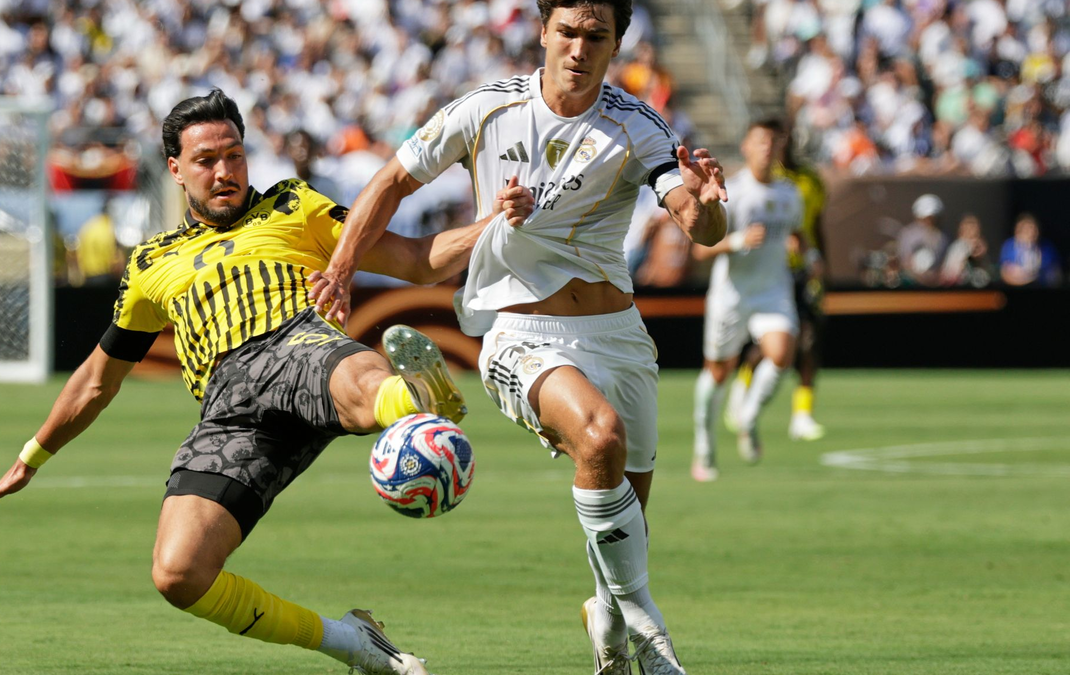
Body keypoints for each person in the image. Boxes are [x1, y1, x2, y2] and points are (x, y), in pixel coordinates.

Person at [0, 90, 534, 675]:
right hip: (229, 410)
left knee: (346, 371)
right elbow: (94, 380)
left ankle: (411, 402)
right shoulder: (149, 263)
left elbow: (418, 260)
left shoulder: (294, 205)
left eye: (234, 156)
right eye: (206, 160)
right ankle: (355, 643)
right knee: (179, 572)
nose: (224, 172)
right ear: (176, 170)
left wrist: (494, 223)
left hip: (292, 340)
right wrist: (32, 456)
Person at [309, 3, 728, 673]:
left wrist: (707, 209)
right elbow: (391, 179)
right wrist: (341, 268)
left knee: (626, 524)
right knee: (599, 436)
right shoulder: (486, 108)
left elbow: (695, 222)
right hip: (519, 330)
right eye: (567, 31)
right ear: (542, 32)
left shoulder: (637, 124)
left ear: (617, 42)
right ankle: (652, 639)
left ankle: (611, 626)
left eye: (596, 36)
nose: (578, 49)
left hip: (619, 336)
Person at [691, 118, 805, 482]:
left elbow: (798, 234)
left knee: (782, 353)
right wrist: (737, 241)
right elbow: (701, 252)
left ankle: (748, 418)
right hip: (732, 295)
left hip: (774, 292)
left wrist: (806, 254)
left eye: (773, 143)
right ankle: (704, 449)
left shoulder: (790, 193)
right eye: (760, 142)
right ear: (746, 147)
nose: (767, 149)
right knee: (718, 374)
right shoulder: (734, 191)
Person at [724, 128, 828, 442]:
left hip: (799, 274)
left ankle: (802, 415)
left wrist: (817, 260)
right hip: (770, 274)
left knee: (807, 343)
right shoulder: (768, 182)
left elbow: (812, 226)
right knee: (765, 349)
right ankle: (741, 391)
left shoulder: (811, 182)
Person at [72, 194, 126, 286]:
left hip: (88, 278)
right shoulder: (108, 227)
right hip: (105, 276)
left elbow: (77, 253)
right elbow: (115, 257)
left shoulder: (87, 227)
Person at [898, 194, 949, 286]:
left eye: (932, 218)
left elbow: (944, 263)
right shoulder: (908, 234)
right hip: (911, 284)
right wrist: (918, 276)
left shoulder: (944, 237)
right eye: (925, 218)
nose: (929, 221)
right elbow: (905, 261)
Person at [1000, 213, 1063, 287]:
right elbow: (1005, 274)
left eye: (1033, 229)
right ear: (1017, 231)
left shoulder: (1047, 248)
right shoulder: (1009, 246)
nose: (1031, 233)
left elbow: (1056, 274)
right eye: (1026, 229)